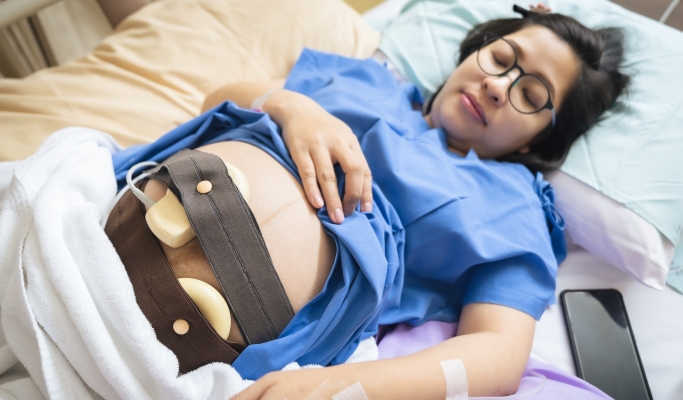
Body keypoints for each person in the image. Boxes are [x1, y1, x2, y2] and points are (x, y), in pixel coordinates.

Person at [109, 6, 629, 399]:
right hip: (132, 206)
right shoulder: (366, 79)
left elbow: (498, 354)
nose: (497, 85)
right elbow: (216, 101)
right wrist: (294, 108)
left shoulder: (516, 212)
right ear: (476, 48)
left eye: (531, 95)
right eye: (500, 59)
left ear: (537, 142)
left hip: (222, 324)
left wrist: (341, 387)